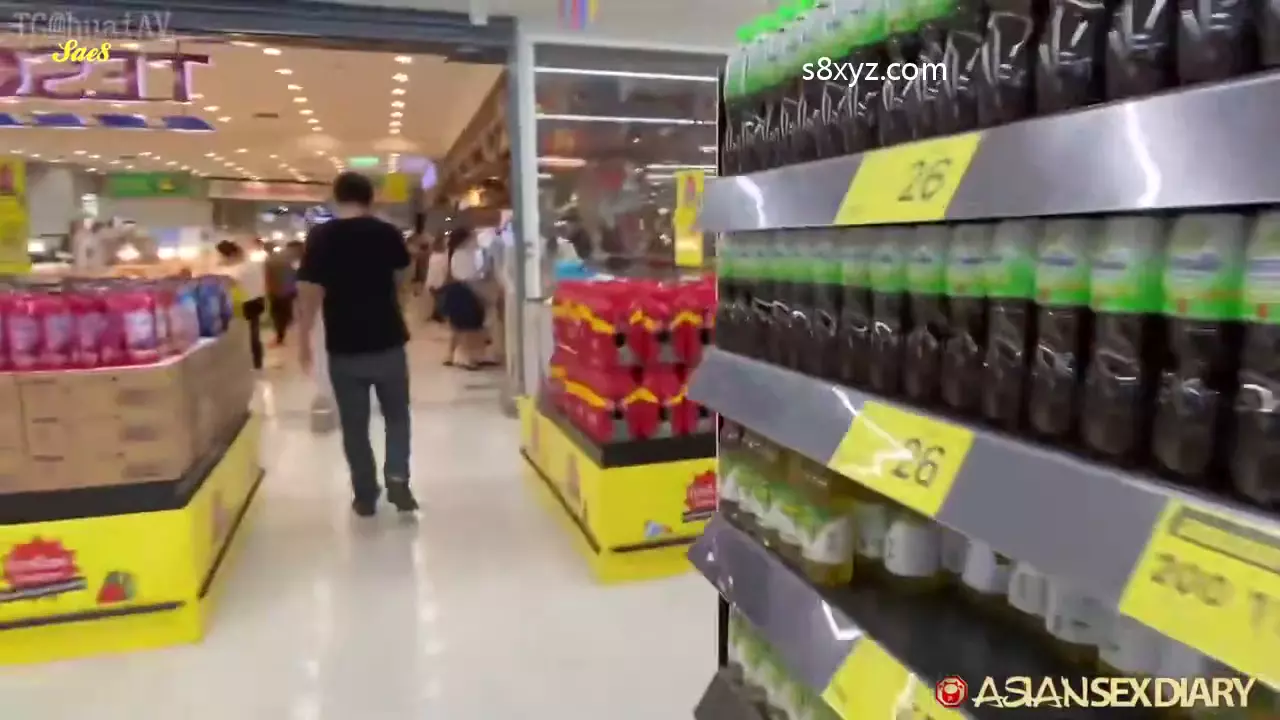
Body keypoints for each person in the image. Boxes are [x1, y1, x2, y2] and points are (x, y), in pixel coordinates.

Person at [296, 172, 418, 517]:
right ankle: (397, 476)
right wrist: (396, 300)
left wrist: (303, 337)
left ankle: (365, 494)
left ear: (336, 198)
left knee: (354, 424)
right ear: (371, 198)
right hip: (388, 340)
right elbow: (404, 274)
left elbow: (309, 291)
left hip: (344, 345)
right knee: (397, 416)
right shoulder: (387, 233)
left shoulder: (321, 237)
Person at [438, 227, 492, 370]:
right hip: (465, 291)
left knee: (459, 327)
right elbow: (469, 275)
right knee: (467, 327)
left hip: (458, 291)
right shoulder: (464, 254)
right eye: (472, 237)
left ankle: (455, 355)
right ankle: (466, 357)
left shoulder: (457, 253)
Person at [216, 240, 266, 370]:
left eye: (222, 255)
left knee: (241, 334)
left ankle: (244, 363)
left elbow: (228, 285)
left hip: (243, 303)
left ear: (229, 255)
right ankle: (257, 362)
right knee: (254, 334)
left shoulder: (235, 270)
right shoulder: (251, 264)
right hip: (258, 300)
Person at [265, 240, 303, 345]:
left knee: (279, 314)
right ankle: (281, 336)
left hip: (277, 291)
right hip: (286, 291)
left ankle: (281, 335)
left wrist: (268, 290)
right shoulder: (295, 260)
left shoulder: (273, 258)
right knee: (282, 314)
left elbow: (267, 276)